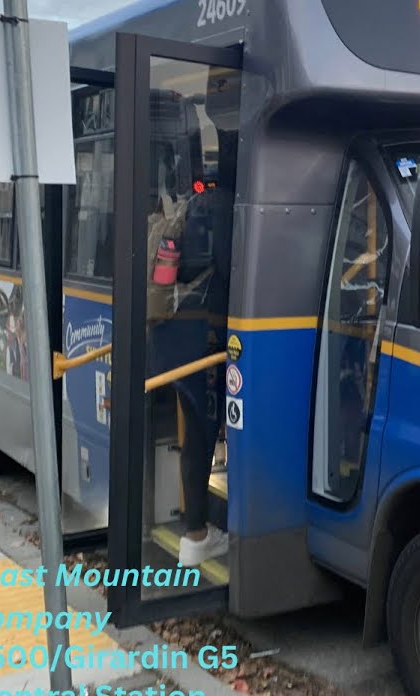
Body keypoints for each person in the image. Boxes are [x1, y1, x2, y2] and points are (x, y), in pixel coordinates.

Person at [146, 128, 235, 568]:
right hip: (204, 339)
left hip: (172, 335)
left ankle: (194, 530)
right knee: (203, 432)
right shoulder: (224, 207)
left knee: (195, 432)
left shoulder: (193, 205)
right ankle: (196, 535)